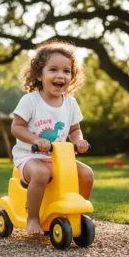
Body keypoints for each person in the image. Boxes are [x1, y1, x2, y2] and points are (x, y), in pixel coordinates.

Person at [11, 39, 94, 235]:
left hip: (58, 159)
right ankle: (32, 217)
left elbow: (74, 130)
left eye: (66, 71)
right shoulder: (30, 101)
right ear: (39, 74)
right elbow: (17, 127)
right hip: (30, 158)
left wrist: (78, 140)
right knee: (40, 174)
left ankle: (77, 213)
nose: (60, 75)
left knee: (87, 174)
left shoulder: (70, 103)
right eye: (53, 70)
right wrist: (35, 140)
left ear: (72, 77)